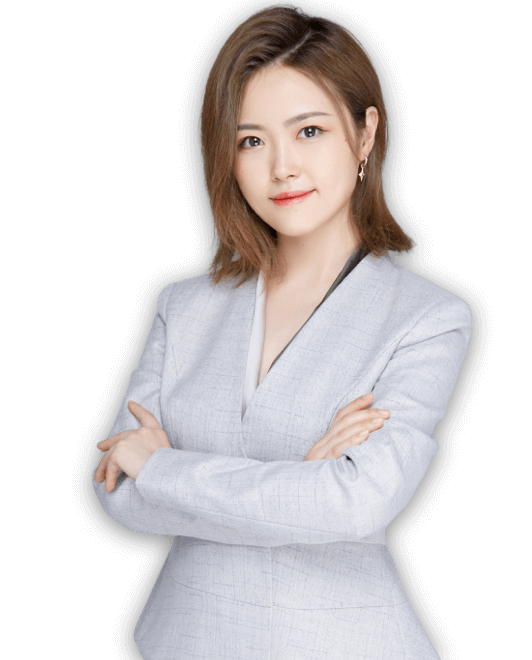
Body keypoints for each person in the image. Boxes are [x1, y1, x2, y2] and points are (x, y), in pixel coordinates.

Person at [92, 6, 472, 659]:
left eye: (309, 131)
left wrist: (162, 467)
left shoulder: (425, 318)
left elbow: (357, 504)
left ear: (365, 134)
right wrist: (302, 480)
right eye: (251, 141)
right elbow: (117, 490)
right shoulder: (184, 307)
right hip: (180, 641)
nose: (282, 168)